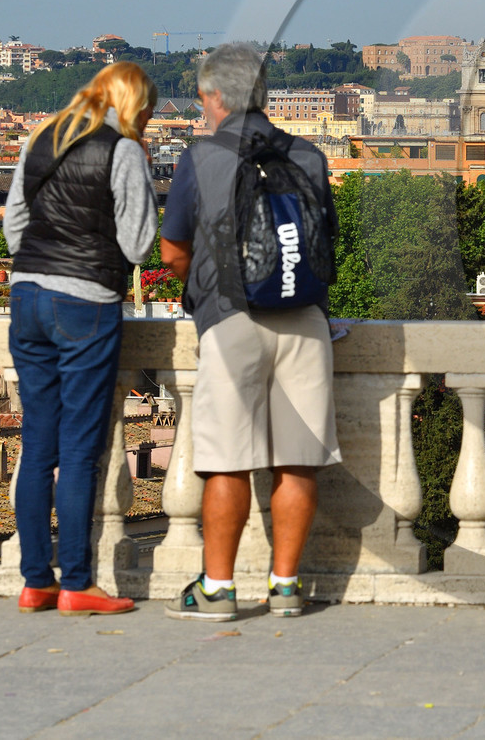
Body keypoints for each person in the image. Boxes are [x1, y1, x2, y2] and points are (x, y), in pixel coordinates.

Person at [160, 42, 339, 622]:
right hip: (306, 320)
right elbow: (325, 238)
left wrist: (204, 292)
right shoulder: (310, 155)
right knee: (298, 460)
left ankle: (217, 589)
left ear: (215, 97)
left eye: (203, 98)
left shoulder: (202, 156)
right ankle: (286, 586)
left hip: (232, 318)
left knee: (227, 460)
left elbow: (173, 250)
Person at [5, 61, 158, 617]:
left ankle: (33, 582)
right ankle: (75, 583)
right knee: (77, 452)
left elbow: (13, 227)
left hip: (25, 297)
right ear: (134, 103)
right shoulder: (122, 150)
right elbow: (139, 243)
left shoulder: (40, 138)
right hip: (85, 300)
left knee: (36, 444)